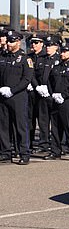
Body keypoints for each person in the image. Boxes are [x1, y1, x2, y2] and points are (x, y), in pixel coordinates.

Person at [44, 42, 69, 162]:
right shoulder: (57, 66)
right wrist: (52, 94)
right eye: (62, 51)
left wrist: (63, 95)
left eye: (66, 51)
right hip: (56, 100)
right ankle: (55, 151)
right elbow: (49, 81)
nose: (63, 54)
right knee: (55, 128)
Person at [0, 31, 34, 164]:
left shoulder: (25, 59)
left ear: (18, 42)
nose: (9, 44)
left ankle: (24, 153)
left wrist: (12, 90)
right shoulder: (3, 57)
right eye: (8, 41)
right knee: (3, 126)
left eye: (11, 41)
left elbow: (26, 79)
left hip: (18, 96)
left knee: (20, 126)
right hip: (3, 96)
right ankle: (5, 152)